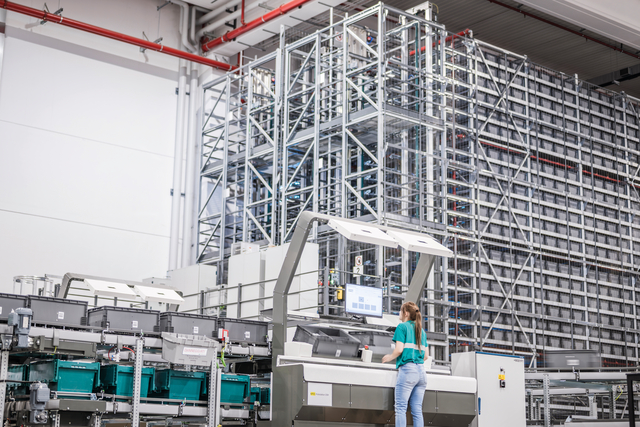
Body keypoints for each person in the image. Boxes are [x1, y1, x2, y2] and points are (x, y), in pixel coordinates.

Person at [381, 301, 429, 427]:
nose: (399, 313)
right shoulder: (421, 331)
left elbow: (399, 349)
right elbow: (426, 356)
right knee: (417, 410)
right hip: (421, 374)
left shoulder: (402, 327)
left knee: (400, 408)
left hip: (408, 371)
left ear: (406, 313)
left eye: (400, 310)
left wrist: (389, 357)